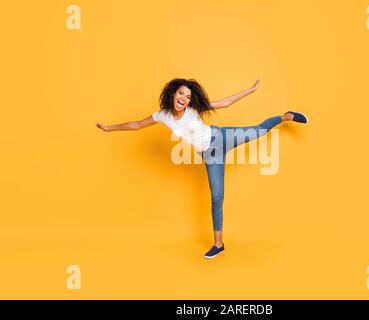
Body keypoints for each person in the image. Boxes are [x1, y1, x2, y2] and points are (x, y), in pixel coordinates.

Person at [96, 78, 308, 259]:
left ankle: (284, 117)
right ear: (172, 93)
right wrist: (108, 128)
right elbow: (136, 125)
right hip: (210, 155)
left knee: (260, 132)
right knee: (217, 197)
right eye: (180, 93)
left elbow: (224, 103)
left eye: (187, 96)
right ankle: (219, 245)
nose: (183, 99)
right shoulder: (162, 116)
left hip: (222, 137)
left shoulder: (193, 109)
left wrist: (250, 90)